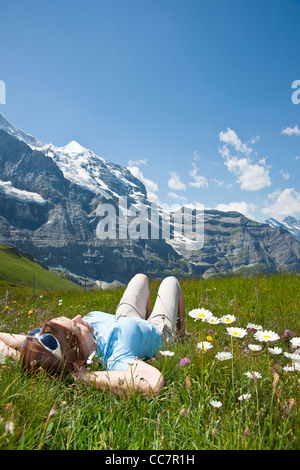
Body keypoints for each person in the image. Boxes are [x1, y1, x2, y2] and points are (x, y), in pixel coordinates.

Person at [0, 274, 185, 397]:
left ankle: (146, 317)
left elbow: (8, 338)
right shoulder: (115, 356)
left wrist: (22, 355)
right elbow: (152, 383)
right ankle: (182, 335)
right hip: (157, 329)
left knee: (141, 278)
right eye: (78, 328)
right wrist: (80, 376)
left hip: (124, 316)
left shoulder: (45, 346)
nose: (79, 317)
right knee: (171, 281)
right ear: (79, 362)